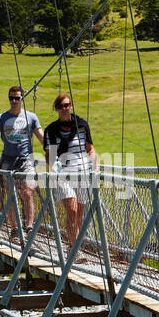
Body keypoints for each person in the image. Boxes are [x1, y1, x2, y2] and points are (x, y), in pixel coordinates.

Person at [42, 93, 97, 248]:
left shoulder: (82, 125)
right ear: (57, 109)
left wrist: (95, 168)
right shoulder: (51, 130)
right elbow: (49, 155)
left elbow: (90, 149)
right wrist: (53, 167)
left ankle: (75, 246)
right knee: (72, 209)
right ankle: (75, 250)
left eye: (67, 105)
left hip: (82, 172)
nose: (64, 109)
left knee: (79, 214)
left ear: (71, 106)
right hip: (63, 175)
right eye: (61, 107)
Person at [0, 87, 44, 234]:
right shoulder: (1, 117)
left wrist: (51, 151)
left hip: (26, 159)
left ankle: (30, 226)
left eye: (17, 98)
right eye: (11, 98)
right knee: (10, 193)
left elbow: (41, 136)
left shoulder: (31, 117)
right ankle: (14, 227)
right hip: (8, 159)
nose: (13, 101)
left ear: (22, 99)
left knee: (28, 191)